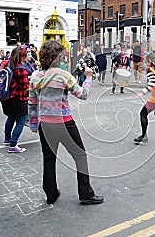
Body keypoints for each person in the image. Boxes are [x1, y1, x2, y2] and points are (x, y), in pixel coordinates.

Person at [28, 40, 104, 205]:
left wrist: (34, 124)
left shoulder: (35, 77)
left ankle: (51, 193)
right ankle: (86, 193)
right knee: (80, 156)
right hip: (64, 123)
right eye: (62, 55)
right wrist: (88, 78)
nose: (64, 58)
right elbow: (82, 94)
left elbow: (32, 102)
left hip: (45, 125)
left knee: (49, 158)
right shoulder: (63, 76)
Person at [1, 46, 30, 153]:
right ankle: (13, 145)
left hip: (8, 97)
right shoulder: (21, 69)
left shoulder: (8, 65)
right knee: (21, 120)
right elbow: (25, 86)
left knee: (11, 117)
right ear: (22, 56)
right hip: (19, 98)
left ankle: (7, 138)